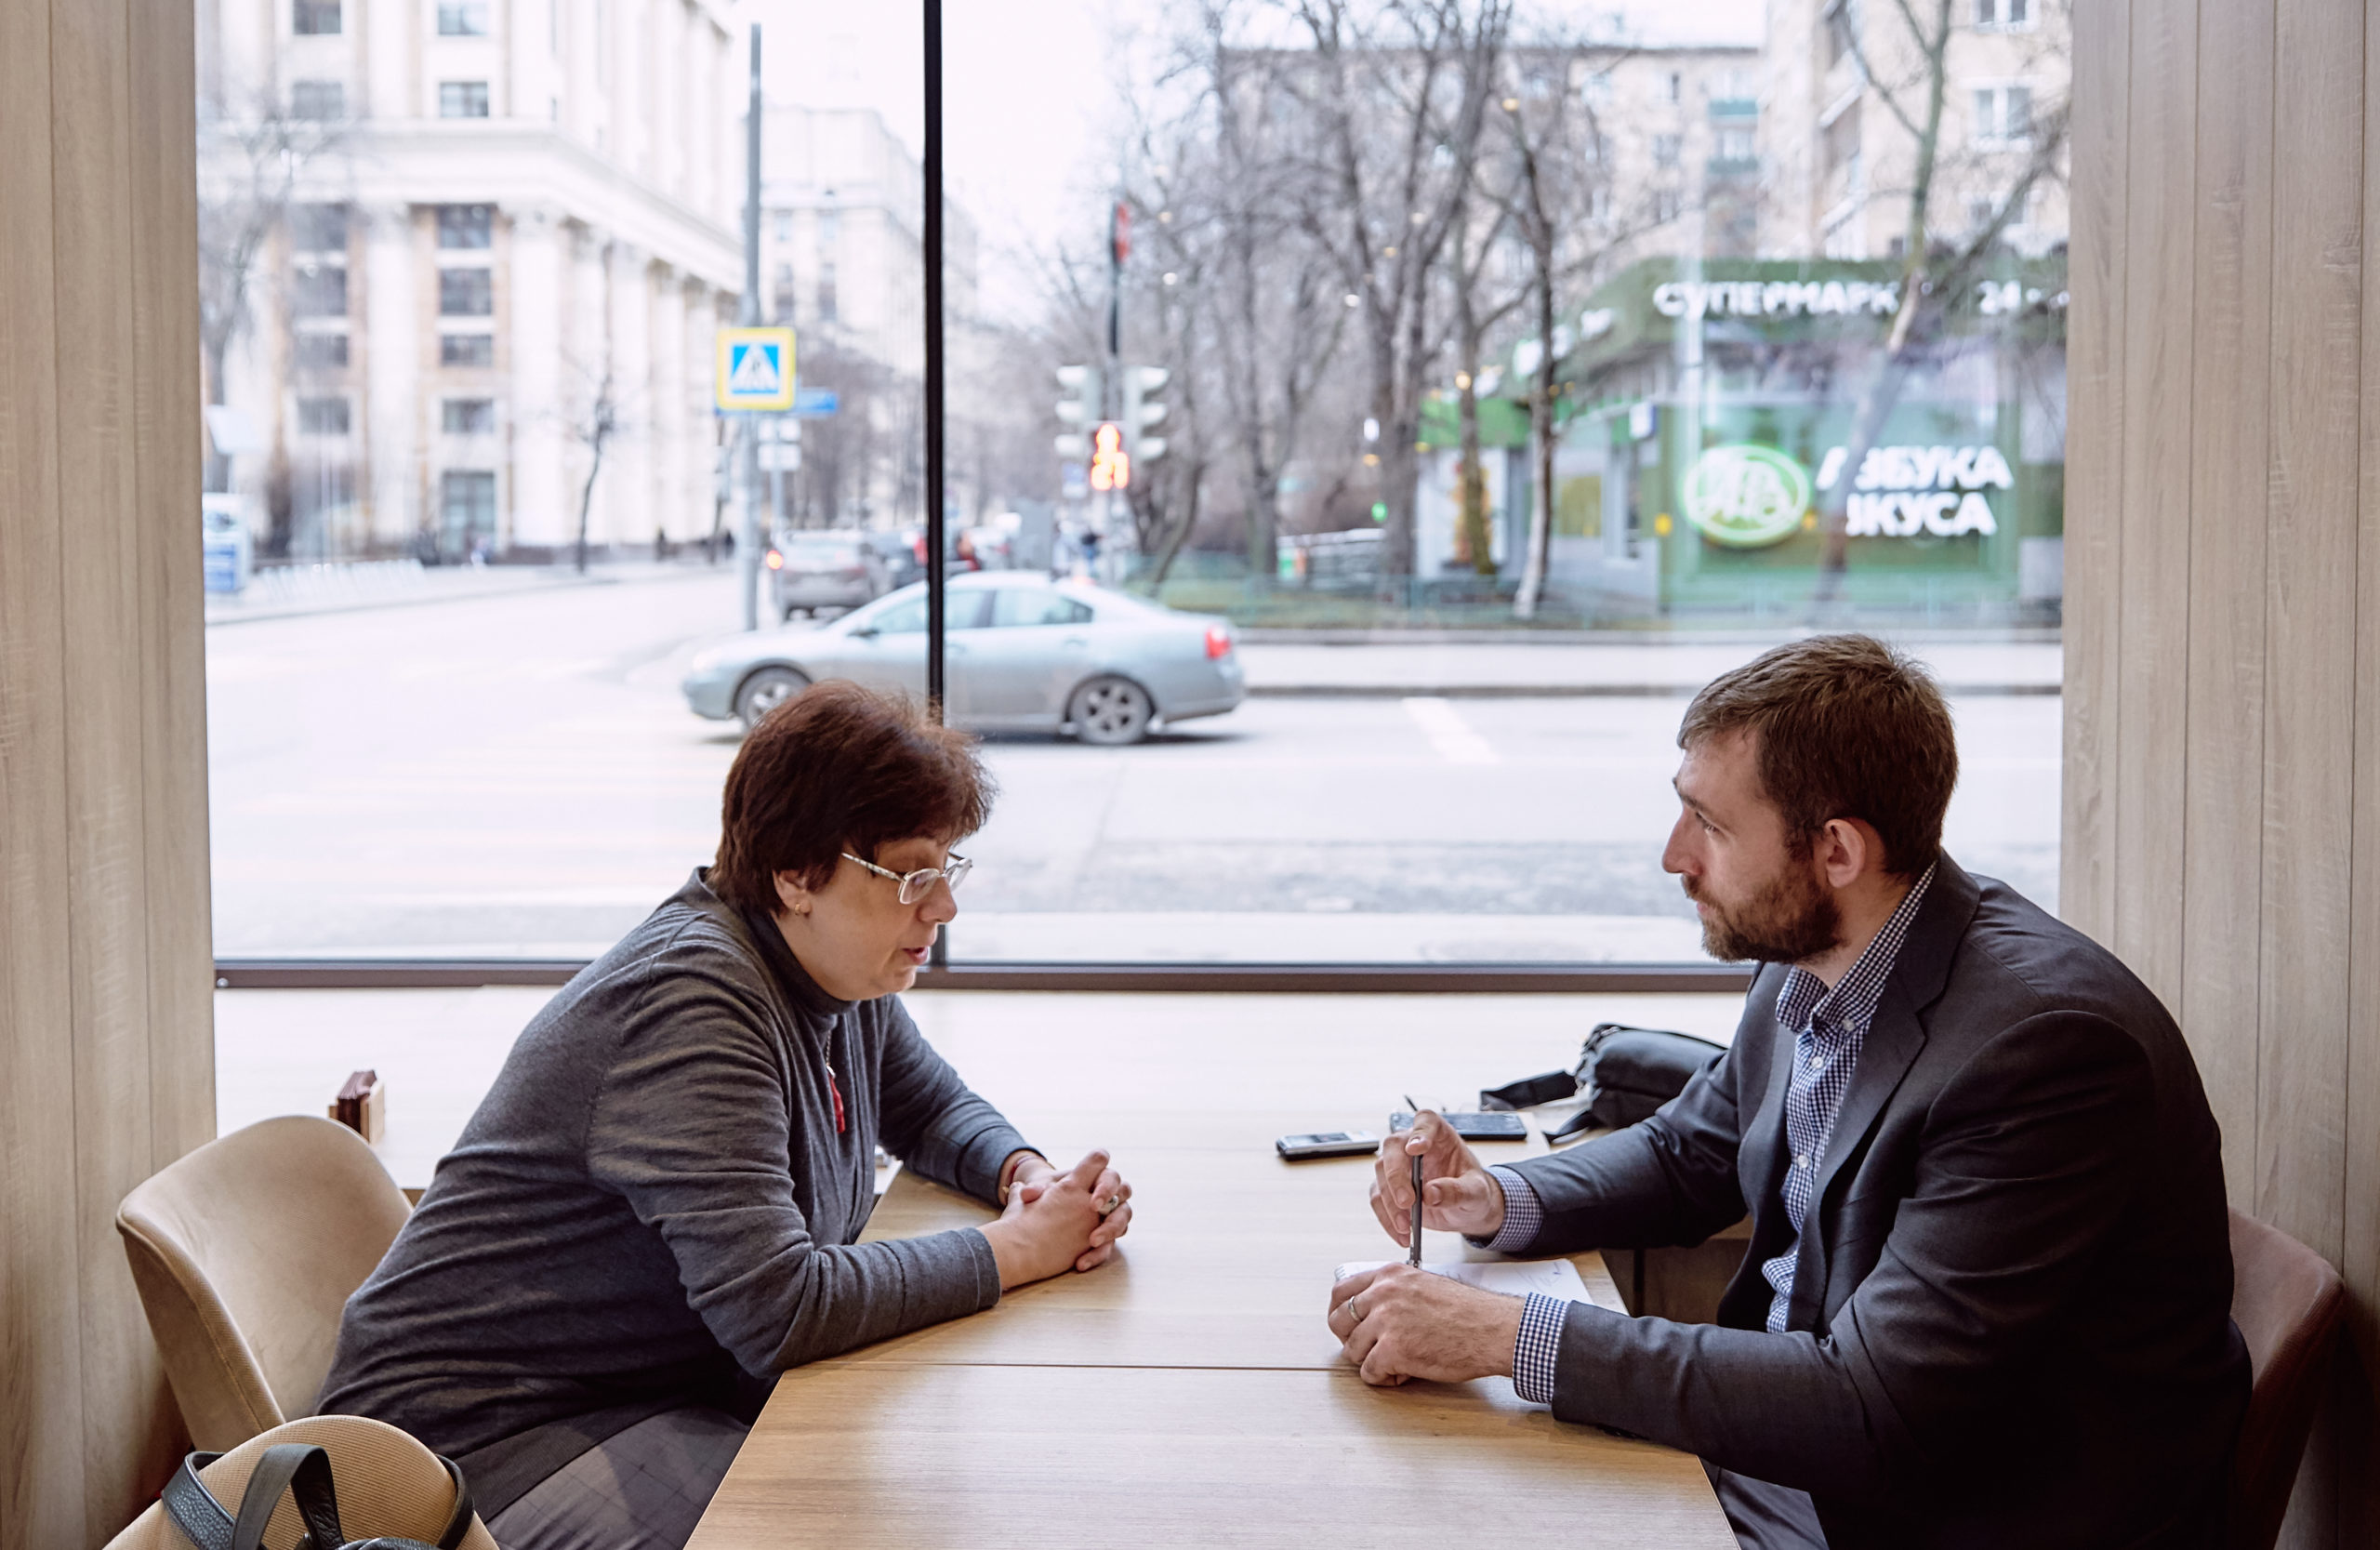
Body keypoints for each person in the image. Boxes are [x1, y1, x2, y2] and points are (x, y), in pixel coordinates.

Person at [1327, 635, 2246, 1550]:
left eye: (1712, 826)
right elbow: (1696, 1148)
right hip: (1790, 1463)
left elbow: (1867, 1403)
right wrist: (1494, 1198)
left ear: (1836, 849)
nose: (1673, 855)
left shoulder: (2044, 1052)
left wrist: (1503, 1334)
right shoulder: (1821, 951)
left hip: (1926, 1512)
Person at [320, 681, 1132, 1550]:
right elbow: (780, 1313)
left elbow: (929, 1107)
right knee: (842, 1518)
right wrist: (1018, 1248)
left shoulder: (830, 969)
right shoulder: (693, 1003)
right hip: (473, 1444)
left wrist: (1027, 1175)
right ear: (795, 874)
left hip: (647, 1392)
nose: (943, 907)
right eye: (909, 874)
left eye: (948, 868)